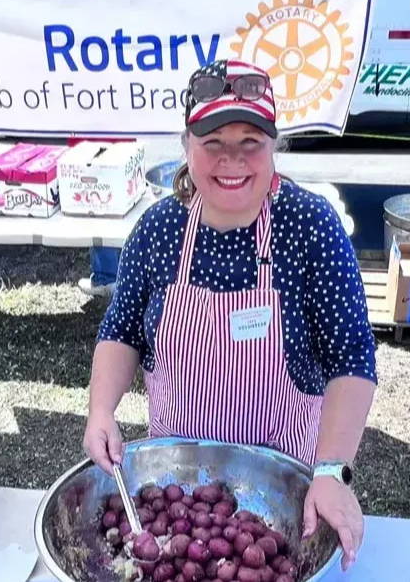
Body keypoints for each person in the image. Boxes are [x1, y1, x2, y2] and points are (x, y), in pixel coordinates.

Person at [82, 59, 377, 570]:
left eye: (250, 143)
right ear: (186, 147)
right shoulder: (159, 228)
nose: (231, 161)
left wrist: (332, 470)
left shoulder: (310, 228)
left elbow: (352, 358)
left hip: (278, 491)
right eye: (213, 143)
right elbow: (121, 330)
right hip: (174, 482)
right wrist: (101, 410)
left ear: (275, 147)